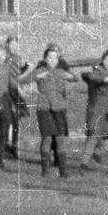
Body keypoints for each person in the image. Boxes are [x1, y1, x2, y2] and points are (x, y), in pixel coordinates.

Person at [21, 46, 77, 177]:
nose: (52, 60)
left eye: (55, 57)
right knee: (47, 139)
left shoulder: (61, 71)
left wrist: (71, 75)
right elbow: (23, 80)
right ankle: (45, 171)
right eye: (50, 57)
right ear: (45, 59)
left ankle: (63, 172)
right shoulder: (40, 70)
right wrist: (38, 76)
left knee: (60, 139)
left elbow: (77, 78)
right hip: (44, 108)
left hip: (59, 108)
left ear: (58, 59)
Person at [3, 36, 29, 158]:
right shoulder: (4, 58)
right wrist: (19, 88)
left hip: (17, 92)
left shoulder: (19, 58)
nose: (13, 47)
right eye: (11, 44)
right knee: (7, 119)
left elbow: (23, 73)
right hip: (8, 92)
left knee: (16, 122)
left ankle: (14, 147)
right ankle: (5, 146)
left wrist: (24, 68)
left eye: (15, 45)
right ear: (7, 45)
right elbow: (9, 78)